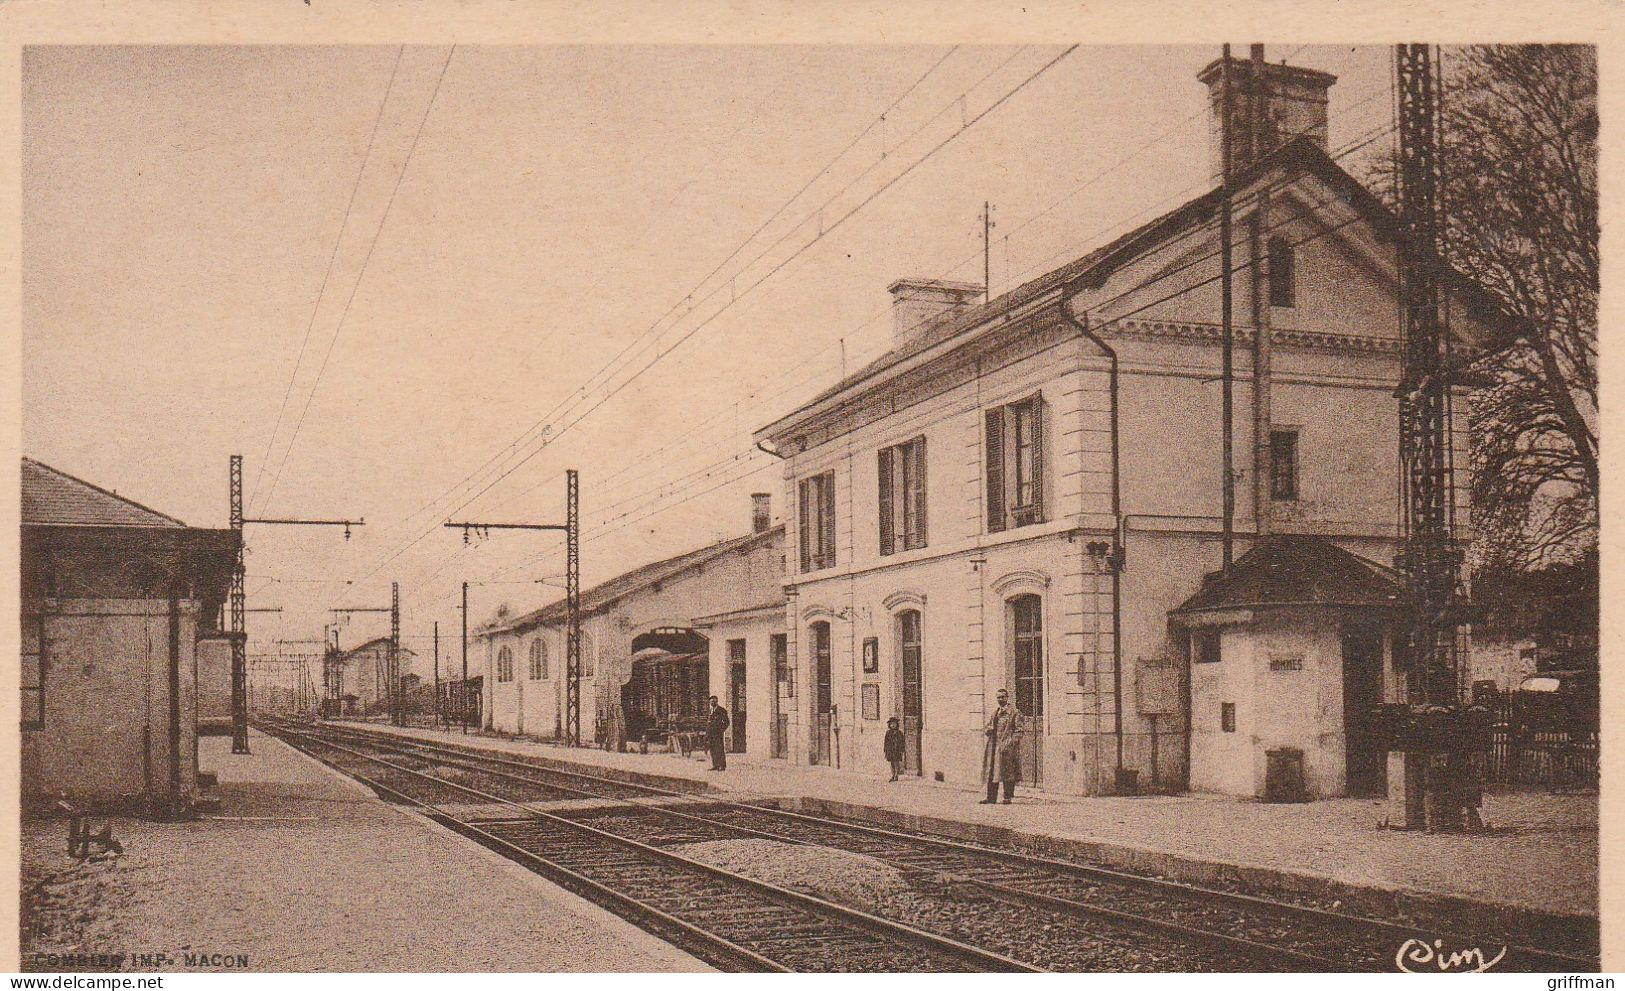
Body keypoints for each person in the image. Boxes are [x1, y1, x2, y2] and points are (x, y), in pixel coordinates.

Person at [981, 688, 1022, 804]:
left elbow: (1019, 731)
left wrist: (1010, 743)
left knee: (1008, 772)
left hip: (1007, 747)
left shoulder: (1014, 713)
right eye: (998, 697)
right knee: (992, 772)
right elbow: (987, 726)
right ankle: (991, 798)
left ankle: (1007, 797)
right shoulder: (995, 713)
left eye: (1002, 697)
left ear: (1007, 697)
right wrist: (988, 729)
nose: (1000, 699)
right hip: (994, 747)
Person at [706, 695, 730, 771]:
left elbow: (727, 722)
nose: (712, 702)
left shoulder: (721, 710)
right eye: (711, 701)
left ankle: (722, 766)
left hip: (718, 733)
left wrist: (721, 729)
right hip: (710, 733)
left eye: (714, 701)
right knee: (712, 749)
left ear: (717, 701)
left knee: (719, 749)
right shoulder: (710, 711)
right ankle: (715, 765)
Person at [883, 717, 905, 781]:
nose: (893, 725)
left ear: (897, 725)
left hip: (897, 750)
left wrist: (902, 750)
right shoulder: (888, 733)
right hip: (890, 750)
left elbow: (902, 742)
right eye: (891, 724)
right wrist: (885, 750)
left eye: (894, 724)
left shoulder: (899, 733)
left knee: (896, 762)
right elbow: (886, 742)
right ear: (889, 725)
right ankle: (893, 774)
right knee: (892, 763)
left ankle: (896, 775)